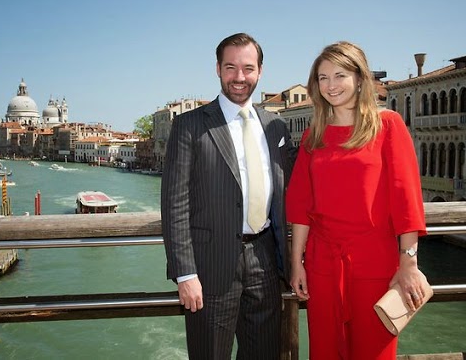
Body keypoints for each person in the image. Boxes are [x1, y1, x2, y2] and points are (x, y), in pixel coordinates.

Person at [286, 41, 428, 360]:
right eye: (323, 78)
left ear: (359, 79)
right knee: (324, 351)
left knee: (374, 352)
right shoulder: (313, 135)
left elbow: (406, 197)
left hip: (375, 264)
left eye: (340, 75)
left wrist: (409, 263)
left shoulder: (388, 125)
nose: (331, 85)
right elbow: (300, 206)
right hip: (322, 265)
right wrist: (297, 264)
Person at [161, 32, 296, 360]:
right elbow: (174, 203)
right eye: (231, 67)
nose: (239, 77)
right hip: (209, 269)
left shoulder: (276, 127)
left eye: (248, 68)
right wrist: (185, 273)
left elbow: (298, 187)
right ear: (218, 69)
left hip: (265, 262)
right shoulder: (189, 125)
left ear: (260, 71)